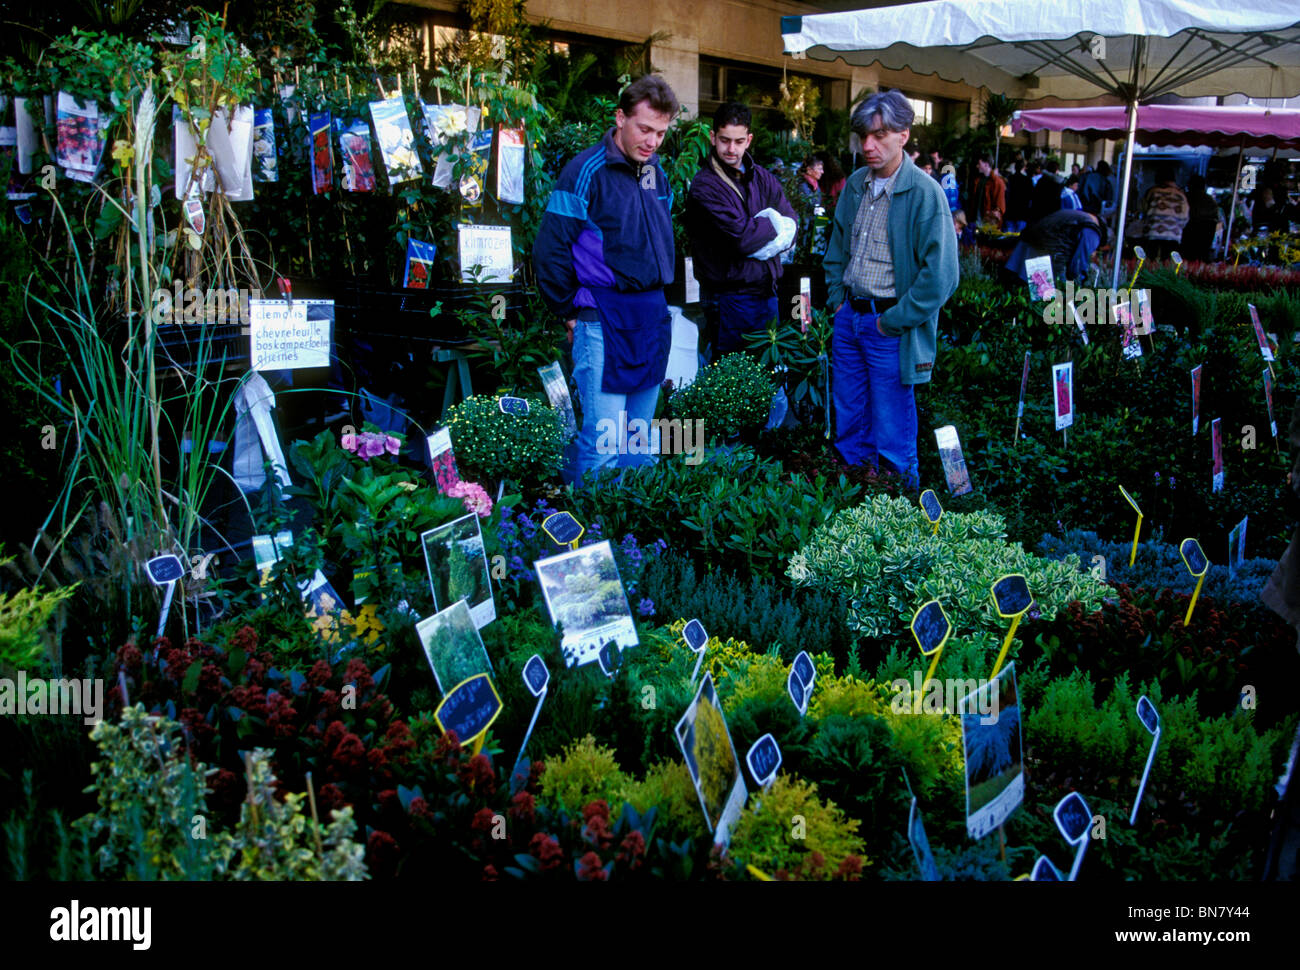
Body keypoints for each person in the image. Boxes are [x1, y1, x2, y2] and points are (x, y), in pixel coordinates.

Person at [532, 74, 679, 481]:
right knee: (604, 443)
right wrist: (568, 311)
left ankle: (635, 541)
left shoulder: (656, 174)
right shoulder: (585, 170)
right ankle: (593, 540)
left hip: (650, 318)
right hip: (602, 318)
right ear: (620, 118)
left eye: (661, 133)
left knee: (640, 442)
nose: (652, 142)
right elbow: (550, 249)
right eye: (645, 129)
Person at [822, 89, 959, 492]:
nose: (868, 145)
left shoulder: (924, 193)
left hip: (889, 326)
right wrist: (836, 304)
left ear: (903, 135)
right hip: (849, 318)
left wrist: (892, 322)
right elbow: (836, 248)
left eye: (879, 135)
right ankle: (853, 503)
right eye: (863, 135)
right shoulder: (856, 185)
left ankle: (899, 511)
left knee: (893, 428)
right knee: (849, 419)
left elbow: (942, 277)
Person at [685, 101, 798, 358]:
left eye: (738, 141)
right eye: (724, 140)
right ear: (713, 137)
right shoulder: (705, 186)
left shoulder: (762, 177)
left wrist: (770, 229)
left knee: (767, 378)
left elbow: (793, 224)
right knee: (732, 382)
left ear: (749, 139)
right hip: (728, 299)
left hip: (767, 294)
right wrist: (775, 224)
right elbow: (743, 240)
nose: (731, 149)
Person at [1140, 165, 1189, 259]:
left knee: (1151, 262)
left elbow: (1144, 210)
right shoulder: (1180, 195)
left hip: (1152, 233)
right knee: (1168, 264)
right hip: (1173, 235)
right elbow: (1185, 217)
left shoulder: (1152, 191)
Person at [1180, 174, 1222, 262]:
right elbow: (1216, 222)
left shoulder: (1185, 198)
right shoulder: (1211, 201)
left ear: (1190, 185)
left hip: (1187, 240)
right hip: (1204, 242)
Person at [973, 154, 1006, 228]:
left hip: (989, 221)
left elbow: (999, 206)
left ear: (986, 164)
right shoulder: (978, 180)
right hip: (978, 219)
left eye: (979, 164)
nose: (977, 166)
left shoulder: (997, 182)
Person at [1029, 158, 1064, 225]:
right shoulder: (1058, 183)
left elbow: (1035, 197)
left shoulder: (1041, 181)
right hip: (1052, 214)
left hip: (1039, 213)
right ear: (1056, 170)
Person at [1005, 159, 1032, 233]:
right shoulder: (1028, 180)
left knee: (1008, 238)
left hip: (1010, 212)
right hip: (1022, 213)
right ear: (1024, 167)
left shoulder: (1010, 179)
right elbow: (1030, 197)